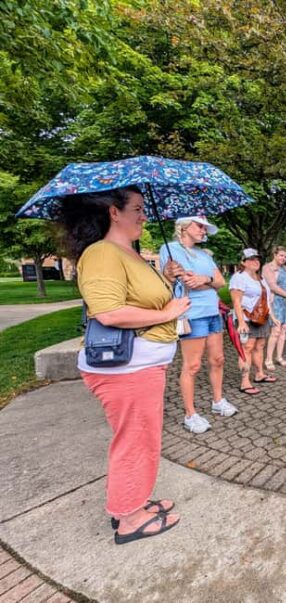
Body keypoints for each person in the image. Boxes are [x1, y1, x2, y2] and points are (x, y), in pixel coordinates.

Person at [59, 186, 188, 544]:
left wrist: (168, 280)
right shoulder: (102, 253)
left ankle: (133, 502)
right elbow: (108, 311)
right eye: (137, 208)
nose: (144, 215)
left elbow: (138, 296)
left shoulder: (127, 252)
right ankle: (130, 518)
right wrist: (168, 312)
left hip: (141, 368)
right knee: (134, 441)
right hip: (126, 371)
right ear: (113, 212)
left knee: (142, 438)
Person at [159, 216, 236, 435]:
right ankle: (190, 414)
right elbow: (170, 279)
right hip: (192, 313)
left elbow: (220, 282)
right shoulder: (170, 248)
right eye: (200, 226)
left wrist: (204, 280)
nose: (204, 231)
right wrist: (171, 274)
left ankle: (218, 401)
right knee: (192, 366)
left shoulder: (205, 255)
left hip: (212, 312)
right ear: (184, 227)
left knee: (218, 359)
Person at [229, 248, 276, 395]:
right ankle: (244, 382)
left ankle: (259, 374)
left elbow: (266, 300)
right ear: (243, 262)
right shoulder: (239, 277)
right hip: (247, 319)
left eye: (257, 259)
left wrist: (273, 317)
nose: (256, 262)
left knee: (260, 346)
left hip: (261, 318)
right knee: (247, 348)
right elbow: (236, 301)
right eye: (251, 259)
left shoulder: (260, 278)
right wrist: (241, 323)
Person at [262, 245, 286, 371]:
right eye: (281, 255)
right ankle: (268, 359)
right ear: (275, 255)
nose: (284, 258)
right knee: (275, 331)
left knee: (284, 330)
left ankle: (279, 357)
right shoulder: (267, 268)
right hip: (275, 301)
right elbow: (272, 286)